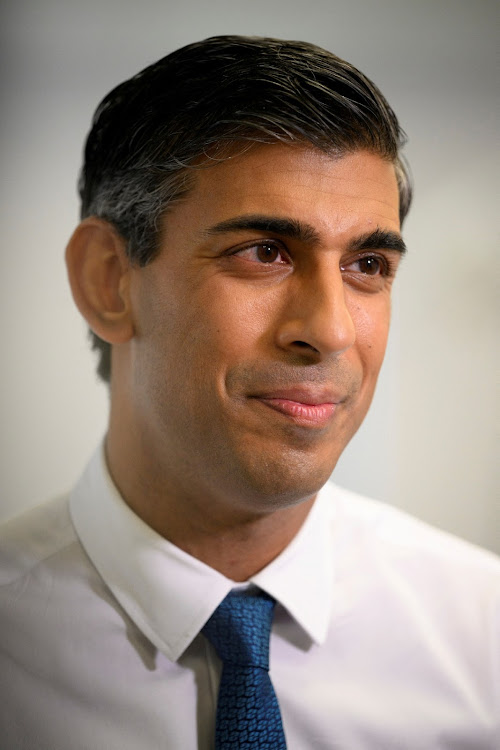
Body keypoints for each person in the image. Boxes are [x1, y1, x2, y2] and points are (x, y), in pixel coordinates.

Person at [0, 35, 498, 750]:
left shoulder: (483, 634)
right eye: (264, 253)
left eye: (367, 263)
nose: (328, 331)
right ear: (108, 280)